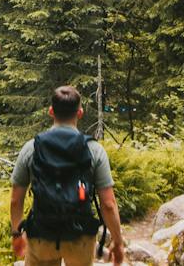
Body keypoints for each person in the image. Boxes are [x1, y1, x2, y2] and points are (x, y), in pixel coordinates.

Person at [10, 86, 125, 266]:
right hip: (80, 238)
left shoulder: (32, 148)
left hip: (42, 236)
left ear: (51, 111)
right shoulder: (94, 150)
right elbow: (109, 204)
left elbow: (16, 200)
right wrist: (117, 242)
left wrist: (16, 233)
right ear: (79, 113)